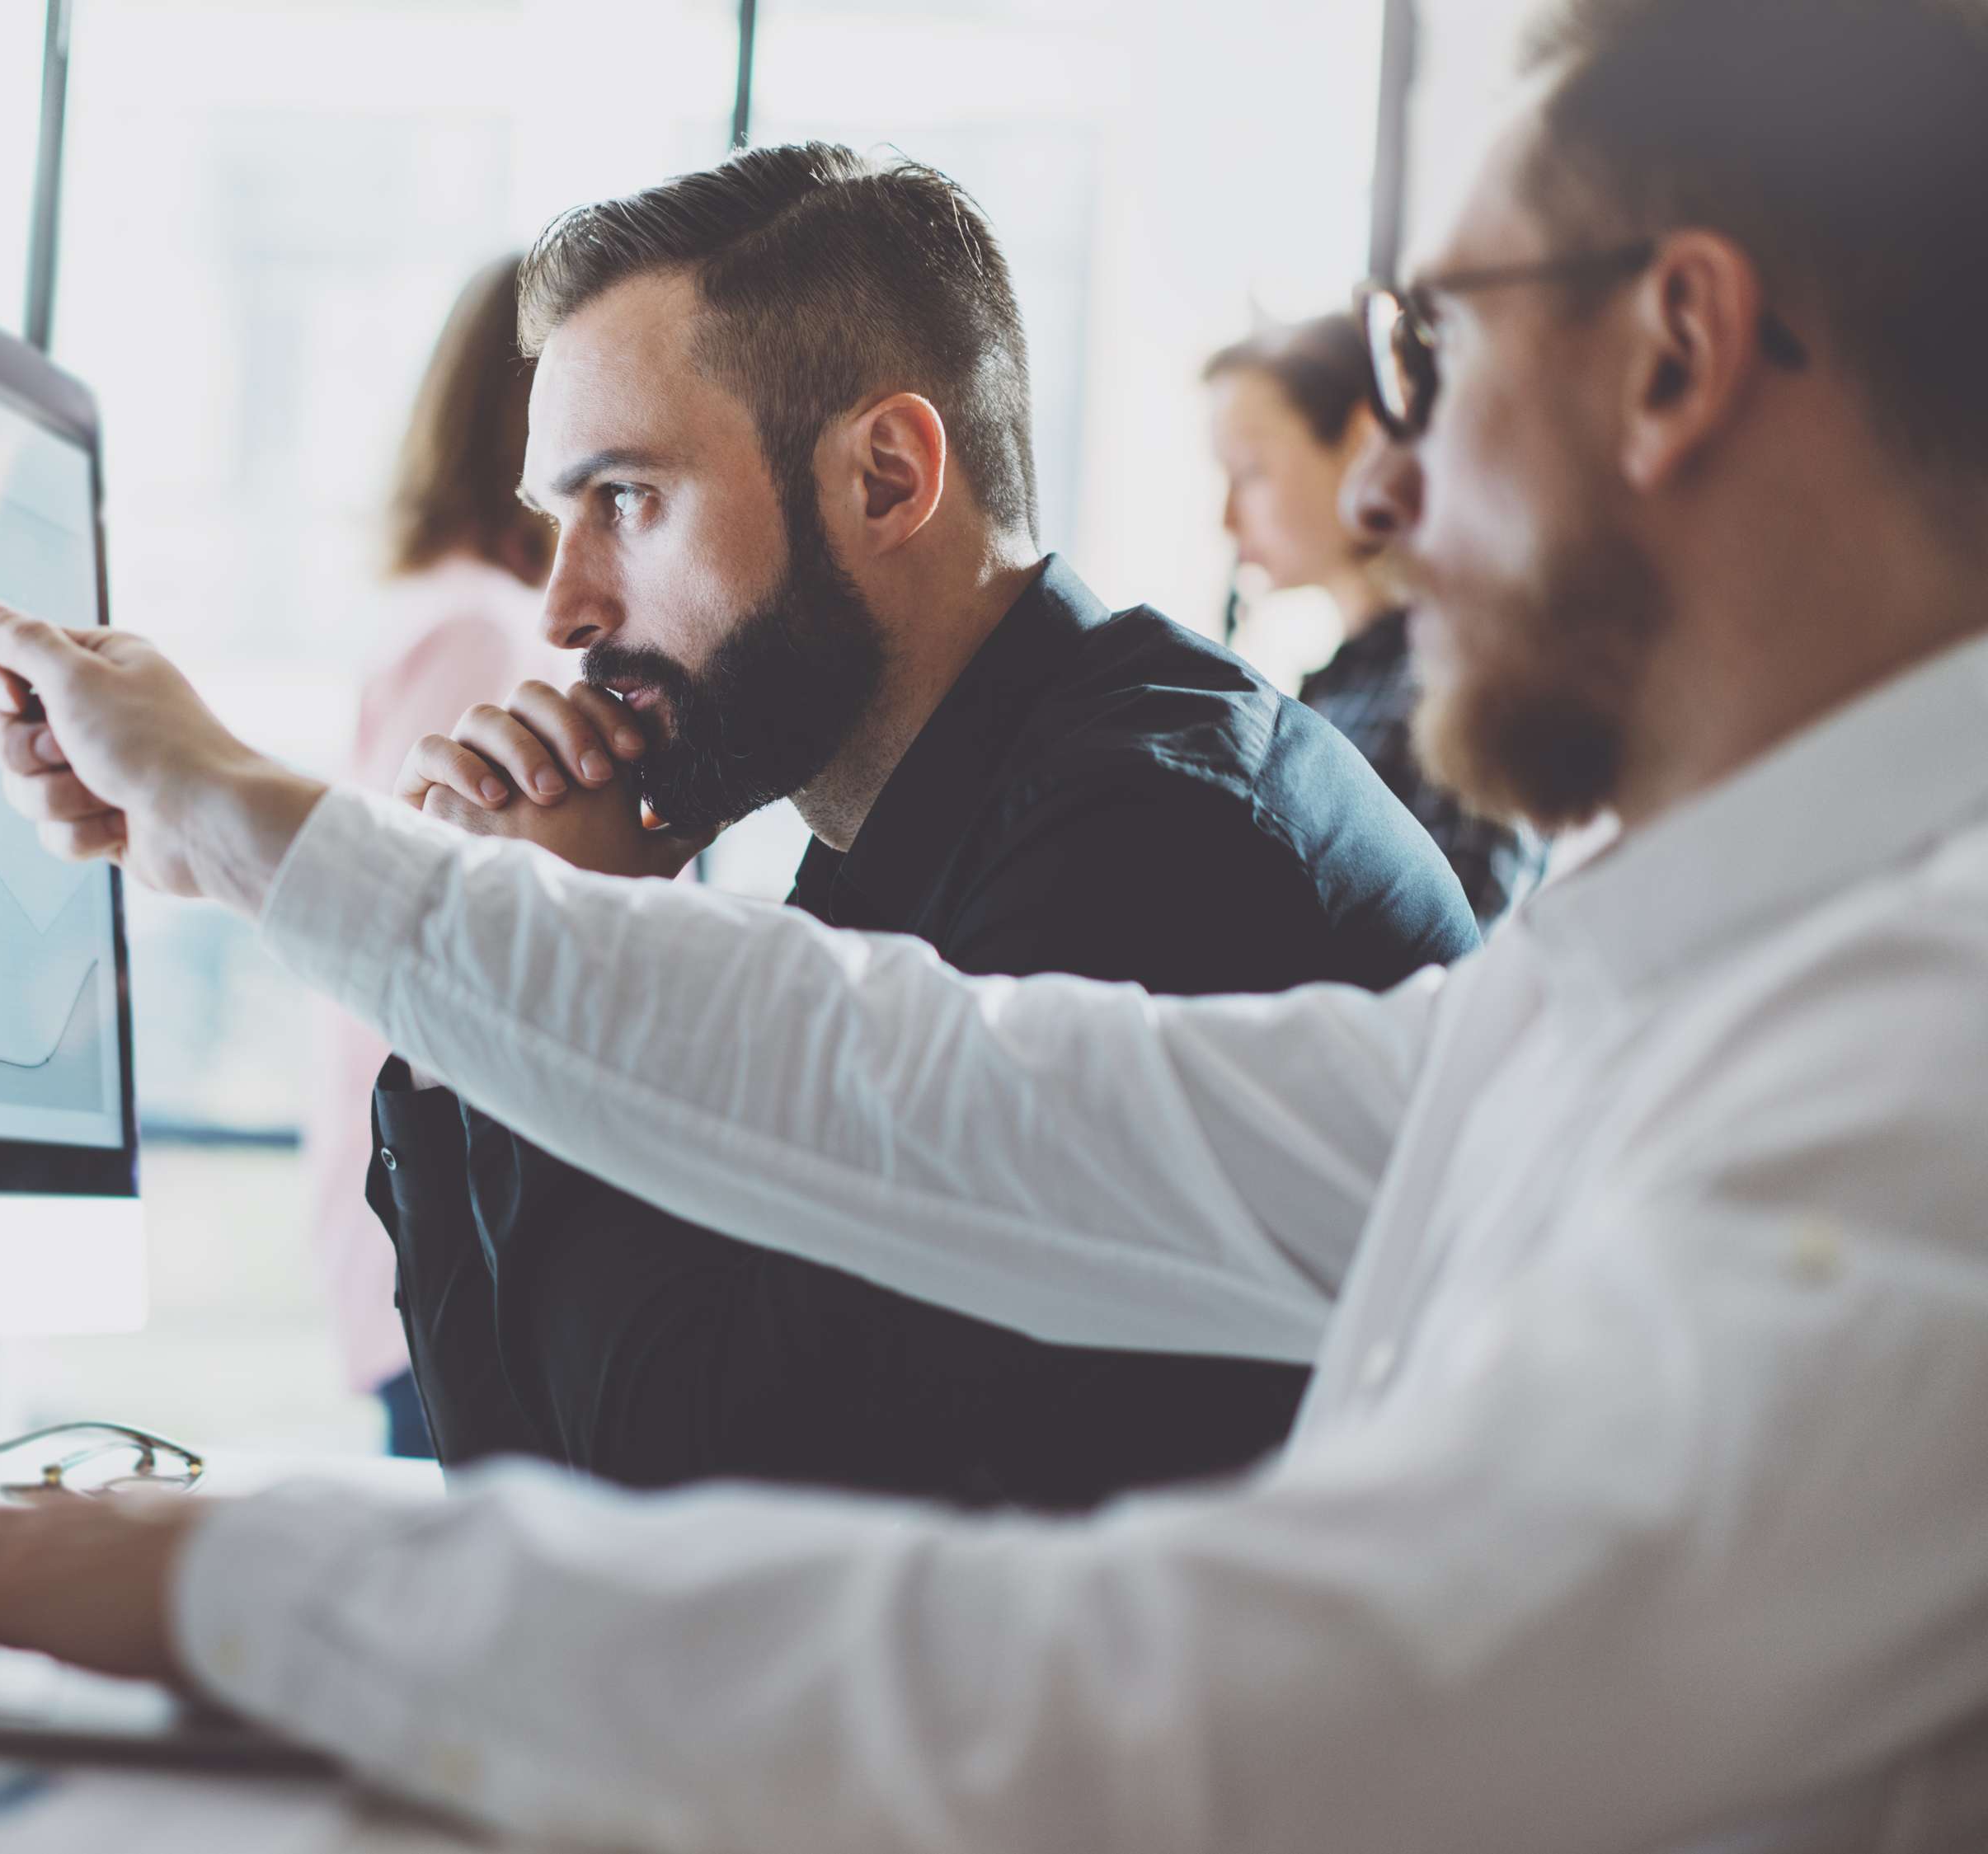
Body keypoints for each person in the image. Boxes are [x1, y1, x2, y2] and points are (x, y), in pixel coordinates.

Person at [0, 0, 1988, 1845]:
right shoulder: (1644, 982)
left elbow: (1197, 1706)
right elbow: (931, 1089)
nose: (1379, 492)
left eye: (1430, 351)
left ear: (1678, 350)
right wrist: (266, 831)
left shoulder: (1914, 1089)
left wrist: (266, 1582)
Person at [359, 148, 1472, 1509]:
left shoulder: (1153, 846)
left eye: (629, 499)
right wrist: (461, 1003)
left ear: (886, 477)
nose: (566, 608)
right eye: (557, 517)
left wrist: (579, 953)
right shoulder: (897, 835)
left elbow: (721, 1529)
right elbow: (520, 1492)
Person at [301, 254, 570, 1457]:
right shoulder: (483, 630)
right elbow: (433, 928)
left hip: (426, 1207)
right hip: (451, 1214)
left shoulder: (455, 612)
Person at [1206, 312, 1544, 923]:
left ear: (1362, 440)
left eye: (1250, 471)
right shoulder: (1342, 688)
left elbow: (1452, 966)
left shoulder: (1451, 695)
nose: (1227, 519)